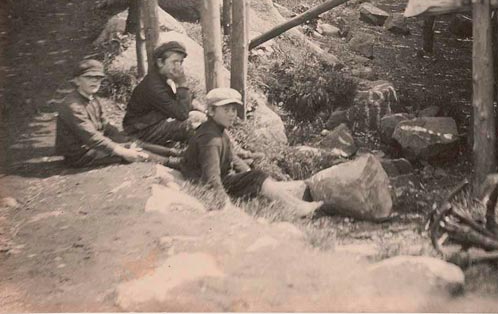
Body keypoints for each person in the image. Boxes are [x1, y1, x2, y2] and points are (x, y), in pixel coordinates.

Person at [180, 87, 320, 215]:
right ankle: (296, 208)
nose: (231, 115)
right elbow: (211, 177)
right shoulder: (211, 139)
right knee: (257, 177)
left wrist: (246, 172)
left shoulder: (218, 131)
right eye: (226, 110)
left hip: (220, 177)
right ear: (211, 111)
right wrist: (224, 202)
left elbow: (232, 157)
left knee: (255, 175)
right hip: (202, 181)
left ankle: (294, 203)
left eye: (234, 110)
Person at [55, 59, 169, 168]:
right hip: (81, 155)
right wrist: (123, 150)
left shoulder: (93, 100)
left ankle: (176, 153)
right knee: (133, 153)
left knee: (133, 143)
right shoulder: (72, 106)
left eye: (98, 78)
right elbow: (92, 138)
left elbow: (106, 127)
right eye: (89, 77)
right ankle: (173, 162)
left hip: (94, 147)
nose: (95, 81)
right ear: (77, 81)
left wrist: (125, 140)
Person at [123, 40, 206, 145]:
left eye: (180, 62)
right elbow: (182, 114)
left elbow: (186, 101)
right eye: (174, 62)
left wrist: (205, 110)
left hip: (153, 124)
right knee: (195, 121)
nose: (178, 67)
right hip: (140, 132)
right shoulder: (153, 85)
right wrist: (182, 84)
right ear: (160, 62)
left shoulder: (165, 78)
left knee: (202, 117)